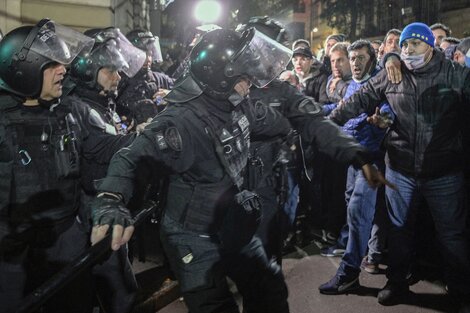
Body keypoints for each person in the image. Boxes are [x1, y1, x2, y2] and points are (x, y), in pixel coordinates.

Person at [91, 27, 294, 313]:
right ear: (222, 77)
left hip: (229, 220)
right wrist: (111, 199)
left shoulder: (232, 105)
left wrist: (299, 127)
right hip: (191, 236)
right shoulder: (181, 120)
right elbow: (132, 158)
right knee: (214, 306)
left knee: (269, 289)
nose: (251, 80)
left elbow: (271, 123)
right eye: (244, 75)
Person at [329, 22, 470, 311]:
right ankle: (397, 282)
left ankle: (459, 289)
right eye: (404, 46)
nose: (408, 51)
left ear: (430, 47)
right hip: (401, 169)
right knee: (399, 229)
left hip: (444, 171)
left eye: (415, 45)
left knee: (452, 234)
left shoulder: (455, 75)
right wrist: (327, 125)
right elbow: (358, 100)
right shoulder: (393, 74)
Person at [0, 19, 116, 313]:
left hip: (68, 240)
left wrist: (147, 139)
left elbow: (103, 148)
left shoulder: (72, 111)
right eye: (51, 64)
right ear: (24, 71)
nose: (63, 69)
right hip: (11, 253)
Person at [63, 26, 144, 313]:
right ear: (88, 70)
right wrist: (141, 137)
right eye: (110, 70)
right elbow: (101, 146)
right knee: (116, 282)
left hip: (104, 198)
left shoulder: (101, 103)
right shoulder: (78, 106)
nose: (118, 76)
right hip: (91, 204)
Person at [318, 40, 390, 294]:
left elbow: (387, 113)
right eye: (352, 58)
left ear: (372, 59)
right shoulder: (352, 86)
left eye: (360, 57)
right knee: (358, 207)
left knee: (360, 210)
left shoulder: (383, 82)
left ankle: (349, 271)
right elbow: (341, 108)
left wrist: (382, 120)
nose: (355, 63)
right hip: (354, 156)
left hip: (371, 158)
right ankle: (372, 253)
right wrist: (315, 111)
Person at [118, 28, 175, 123]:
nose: (148, 59)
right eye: (142, 54)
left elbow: (187, 89)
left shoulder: (159, 79)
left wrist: (172, 94)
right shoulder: (117, 80)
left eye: (150, 54)